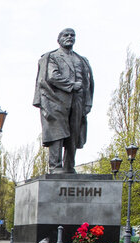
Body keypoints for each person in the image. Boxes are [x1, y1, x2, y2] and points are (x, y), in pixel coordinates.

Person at [33, 28, 94, 174]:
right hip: (56, 100)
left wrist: (87, 102)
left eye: (72, 35)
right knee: (57, 134)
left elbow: (88, 82)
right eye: (66, 35)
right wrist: (72, 85)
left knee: (74, 133)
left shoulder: (81, 60)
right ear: (59, 39)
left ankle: (69, 166)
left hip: (77, 101)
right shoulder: (52, 57)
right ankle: (55, 167)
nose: (69, 37)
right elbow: (52, 76)